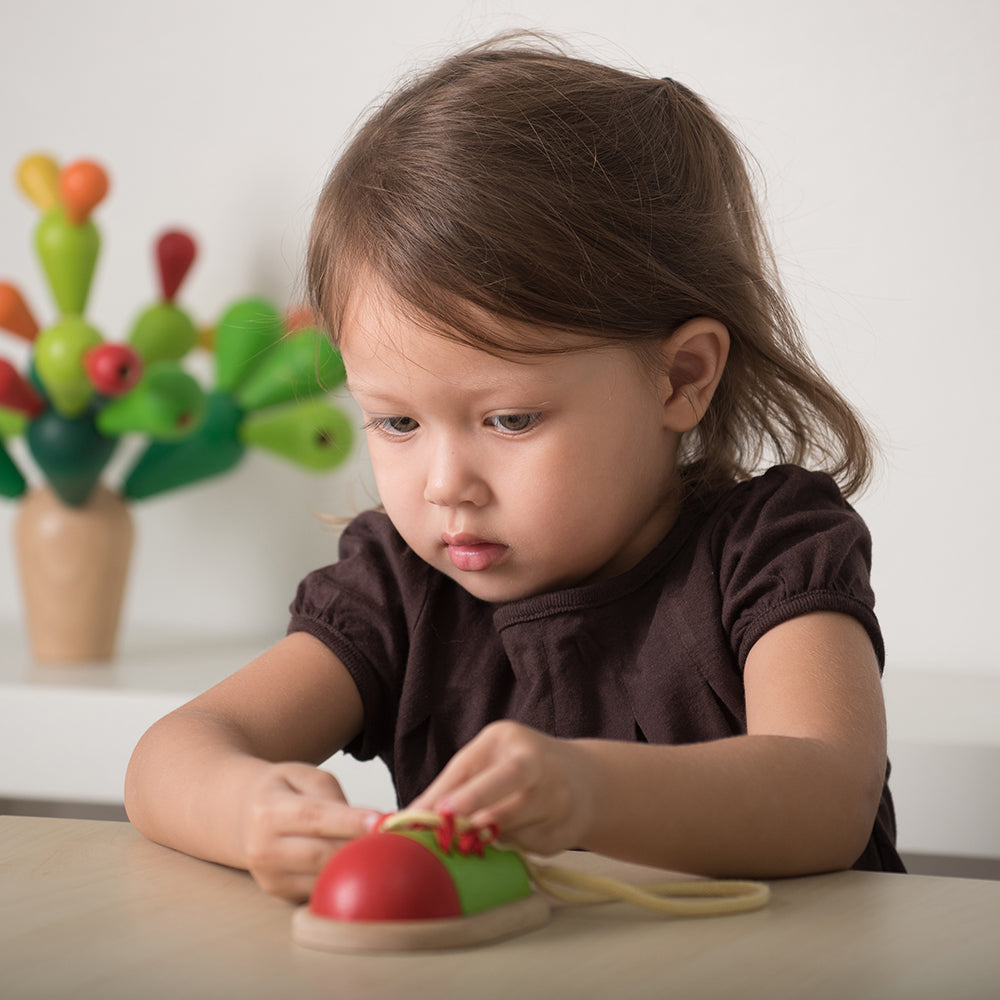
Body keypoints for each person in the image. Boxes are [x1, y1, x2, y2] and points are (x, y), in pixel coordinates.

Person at [124, 33, 904, 901]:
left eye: (509, 418)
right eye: (396, 421)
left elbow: (826, 794)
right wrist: (251, 810)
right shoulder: (399, 589)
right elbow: (175, 753)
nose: (445, 482)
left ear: (681, 378)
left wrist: (588, 792)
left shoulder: (772, 548)